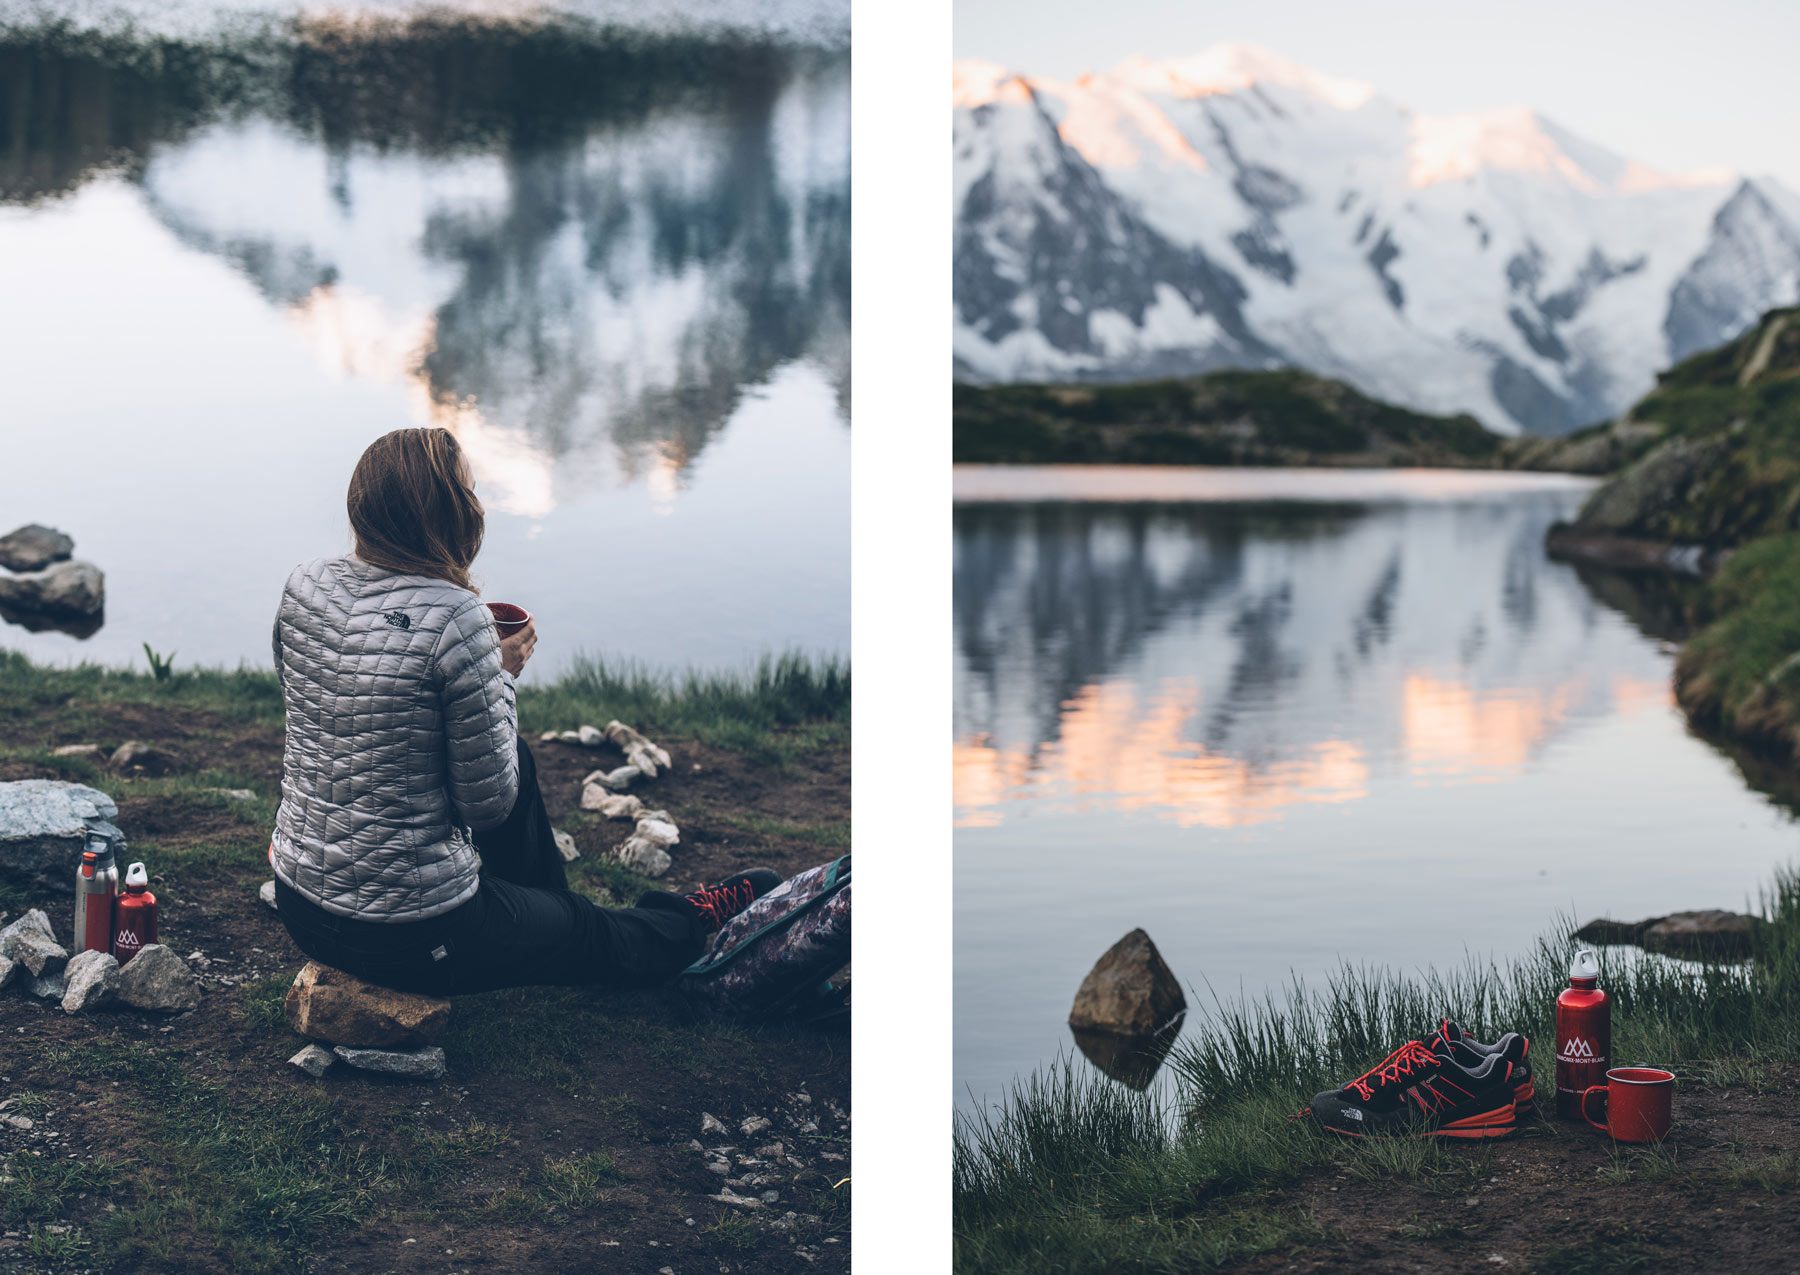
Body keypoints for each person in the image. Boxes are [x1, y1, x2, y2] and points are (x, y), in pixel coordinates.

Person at [268, 426, 776, 996]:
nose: (480, 505)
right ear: (448, 512)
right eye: (470, 491)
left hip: (301, 903)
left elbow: (345, 706)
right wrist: (499, 677)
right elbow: (487, 809)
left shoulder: (304, 584)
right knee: (586, 928)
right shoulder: (458, 617)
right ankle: (693, 924)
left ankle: (540, 914)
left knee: (521, 758)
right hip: (411, 934)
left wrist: (476, 676)